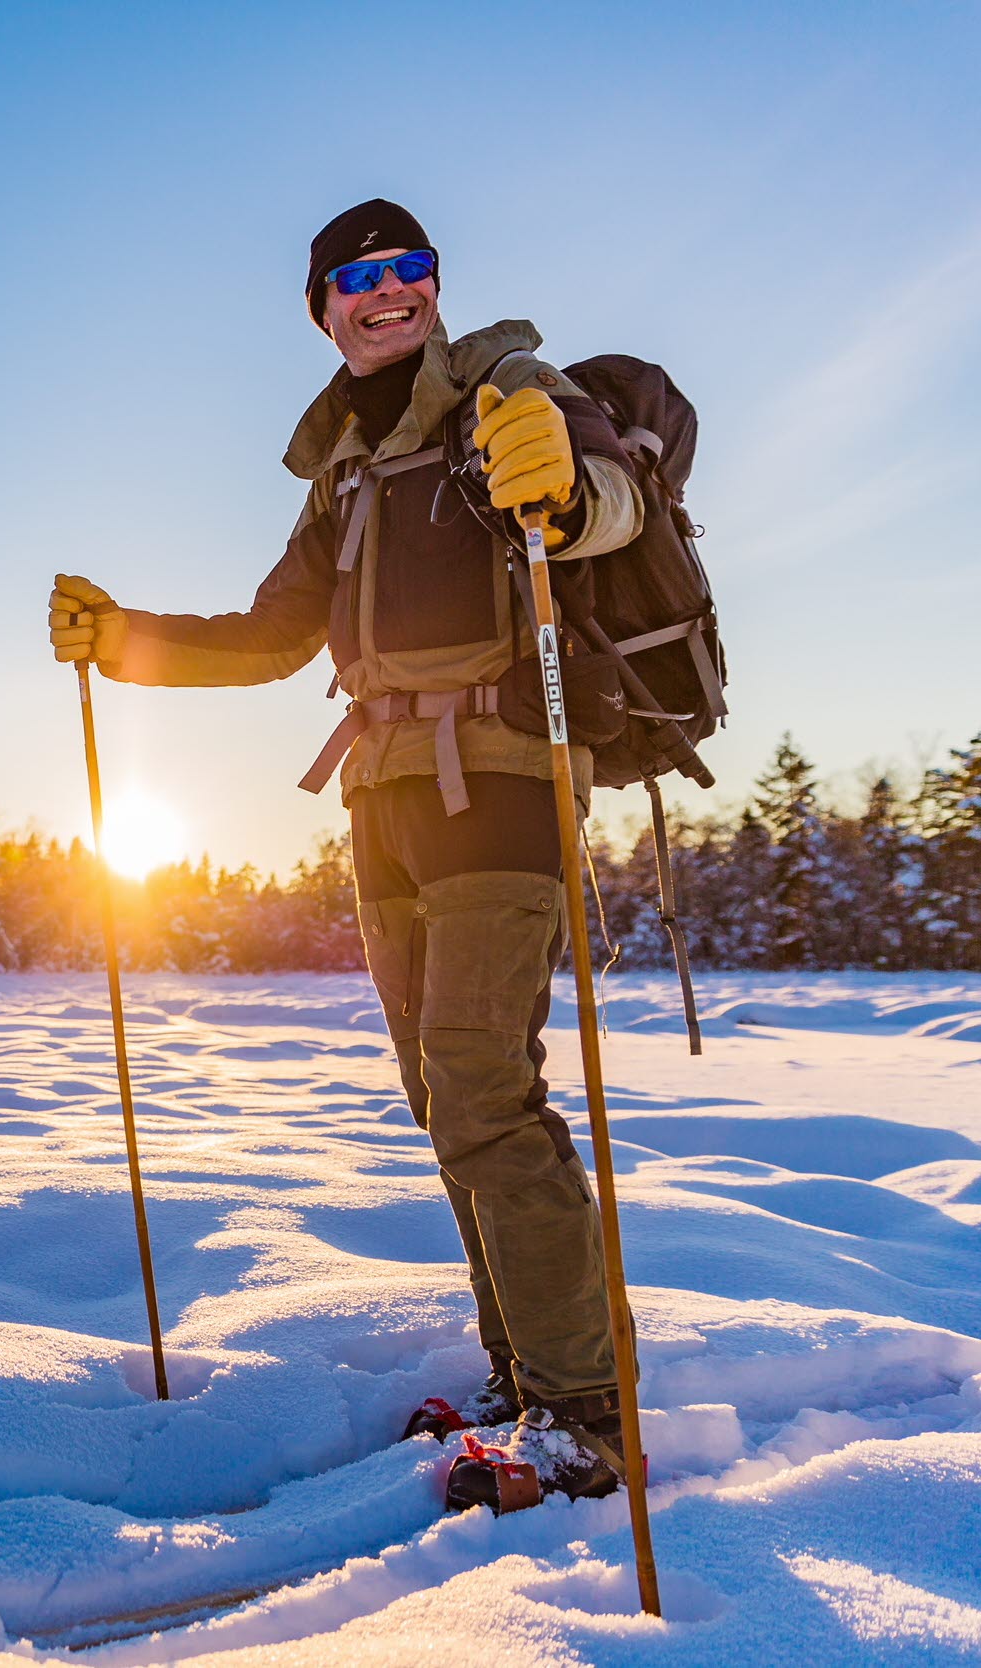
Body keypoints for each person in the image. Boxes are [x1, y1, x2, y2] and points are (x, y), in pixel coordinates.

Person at [47, 200, 641, 1498]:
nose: (388, 292)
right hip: (382, 804)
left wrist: (566, 482)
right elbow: (270, 636)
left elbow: (612, 512)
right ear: (324, 308)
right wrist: (122, 640)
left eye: (408, 269)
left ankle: (585, 1408)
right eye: (357, 278)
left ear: (435, 284)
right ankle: (522, 1375)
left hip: (499, 779)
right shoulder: (348, 476)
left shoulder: (509, 386)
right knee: (447, 1104)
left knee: (487, 1088)